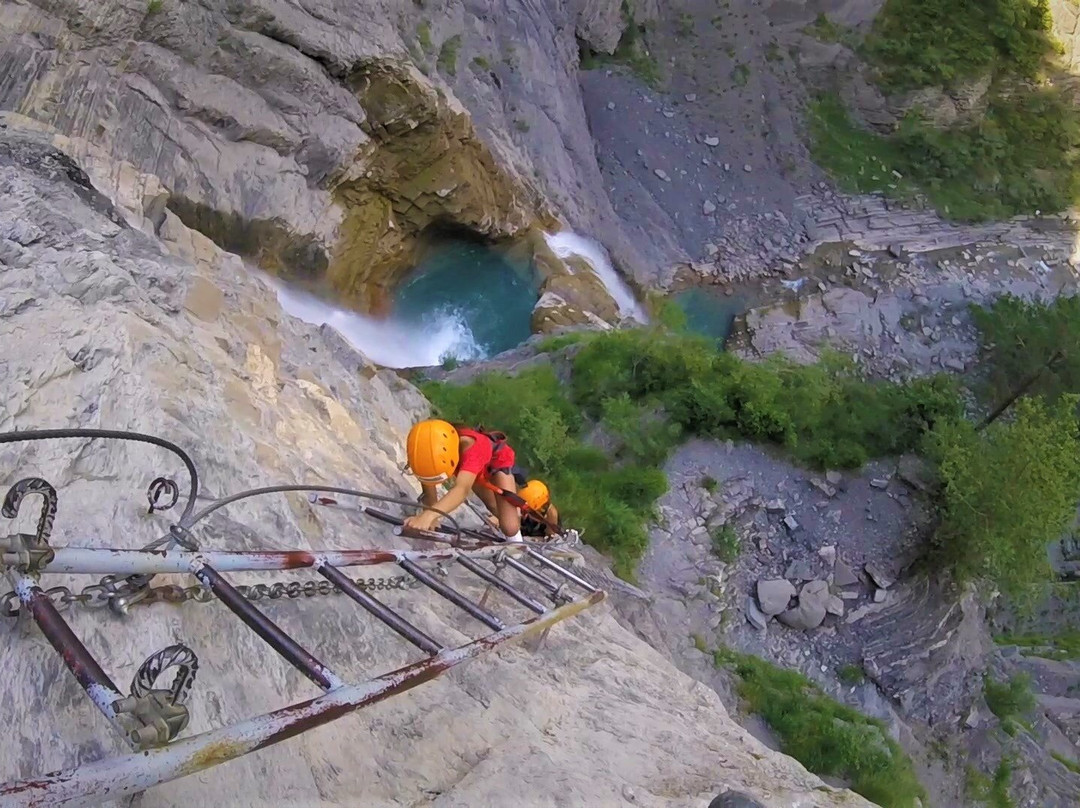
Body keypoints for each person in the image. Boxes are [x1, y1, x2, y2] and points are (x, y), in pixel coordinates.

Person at [402, 419, 522, 541]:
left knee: (509, 527)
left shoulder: (473, 449)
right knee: (492, 505)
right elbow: (427, 475)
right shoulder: (427, 442)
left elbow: (461, 489)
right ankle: (508, 512)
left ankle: (517, 538)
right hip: (472, 466)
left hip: (498, 461)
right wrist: (431, 515)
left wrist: (427, 516)